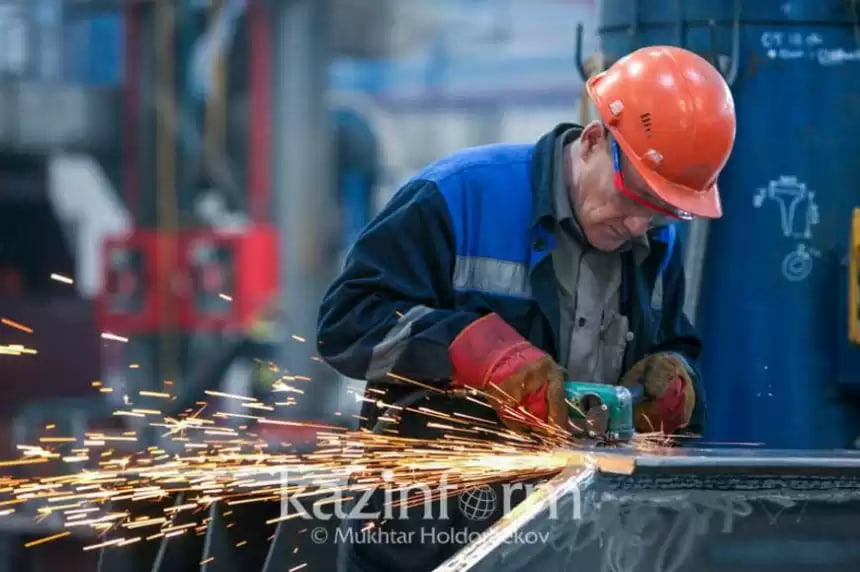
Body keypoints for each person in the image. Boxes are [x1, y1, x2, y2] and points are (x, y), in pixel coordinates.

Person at [316, 45, 736, 572]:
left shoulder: (655, 245)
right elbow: (346, 324)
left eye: (660, 212)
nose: (637, 225)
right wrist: (472, 351)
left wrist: (676, 383)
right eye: (632, 197)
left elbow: (674, 346)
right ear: (593, 140)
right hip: (429, 539)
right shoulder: (459, 196)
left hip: (571, 542)